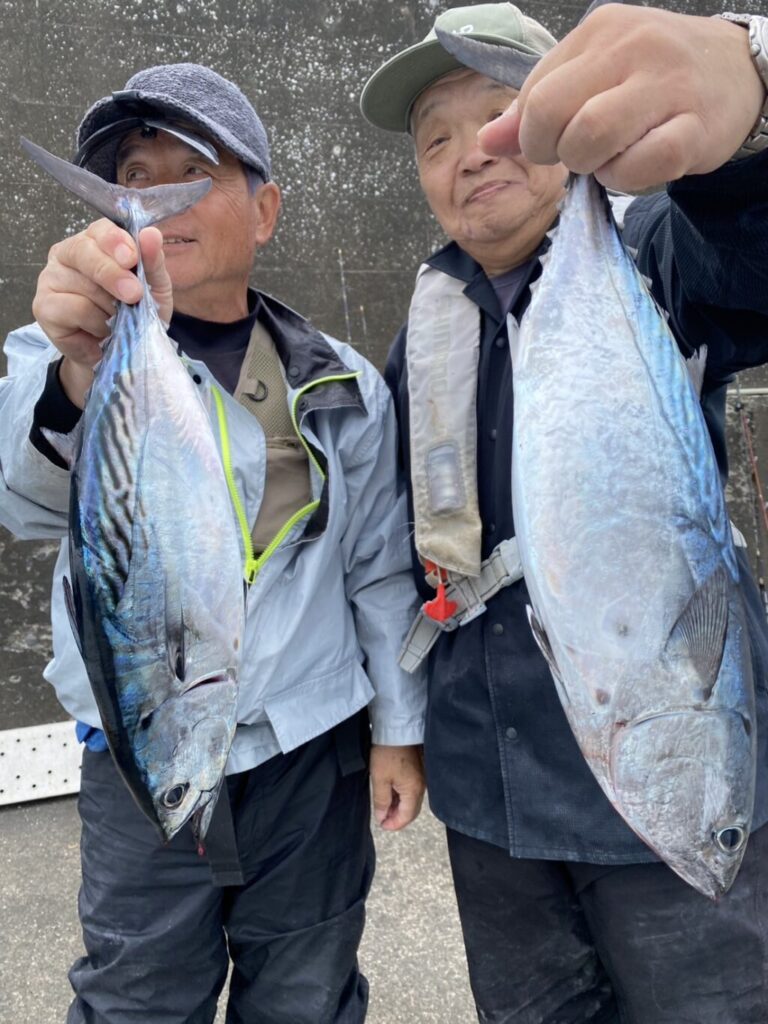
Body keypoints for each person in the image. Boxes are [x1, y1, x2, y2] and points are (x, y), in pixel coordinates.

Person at [361, 4, 768, 1021]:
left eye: (501, 117)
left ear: (575, 118)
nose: (470, 154)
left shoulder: (661, 254)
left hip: (664, 797)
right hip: (490, 800)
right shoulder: (430, 322)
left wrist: (747, 98)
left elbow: (751, 252)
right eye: (436, 142)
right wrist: (402, 731)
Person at [0, 63, 426, 1024]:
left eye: (194, 170)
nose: (158, 194)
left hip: (308, 757)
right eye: (133, 176)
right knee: (136, 997)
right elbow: (24, 503)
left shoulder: (340, 382)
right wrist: (76, 376)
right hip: (140, 758)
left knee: (307, 993)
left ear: (265, 211)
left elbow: (378, 570)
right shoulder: (59, 349)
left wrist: (399, 729)